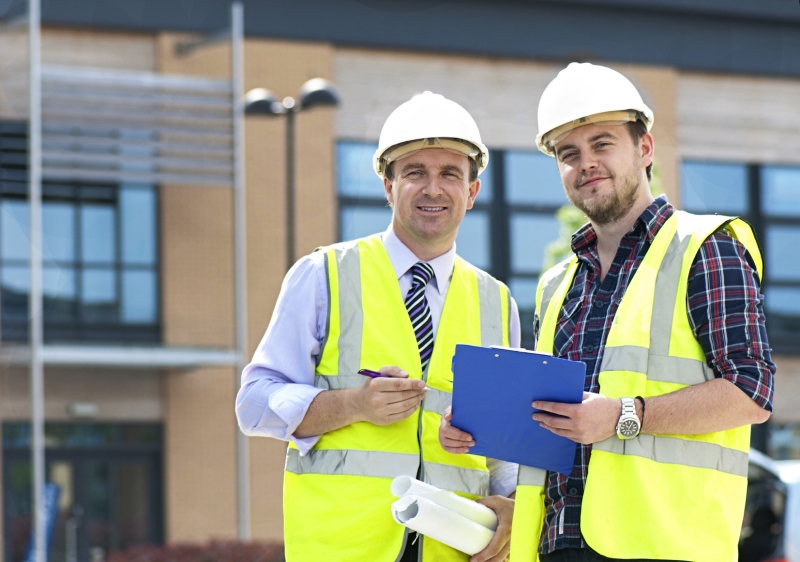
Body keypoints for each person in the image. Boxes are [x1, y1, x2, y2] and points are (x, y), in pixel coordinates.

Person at [440, 63, 775, 562]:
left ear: (644, 149)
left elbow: (752, 391)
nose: (586, 164)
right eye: (569, 154)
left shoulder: (705, 247)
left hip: (665, 546)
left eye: (603, 144)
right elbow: (558, 423)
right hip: (558, 544)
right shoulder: (558, 285)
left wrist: (623, 416)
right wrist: (486, 428)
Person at [236, 91, 519, 562]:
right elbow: (253, 403)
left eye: (450, 174)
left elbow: (504, 446)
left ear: (472, 192)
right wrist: (352, 405)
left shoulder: (497, 301)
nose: (433, 189)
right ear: (389, 186)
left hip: (454, 548)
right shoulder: (323, 274)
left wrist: (512, 509)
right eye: (415, 173)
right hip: (344, 547)